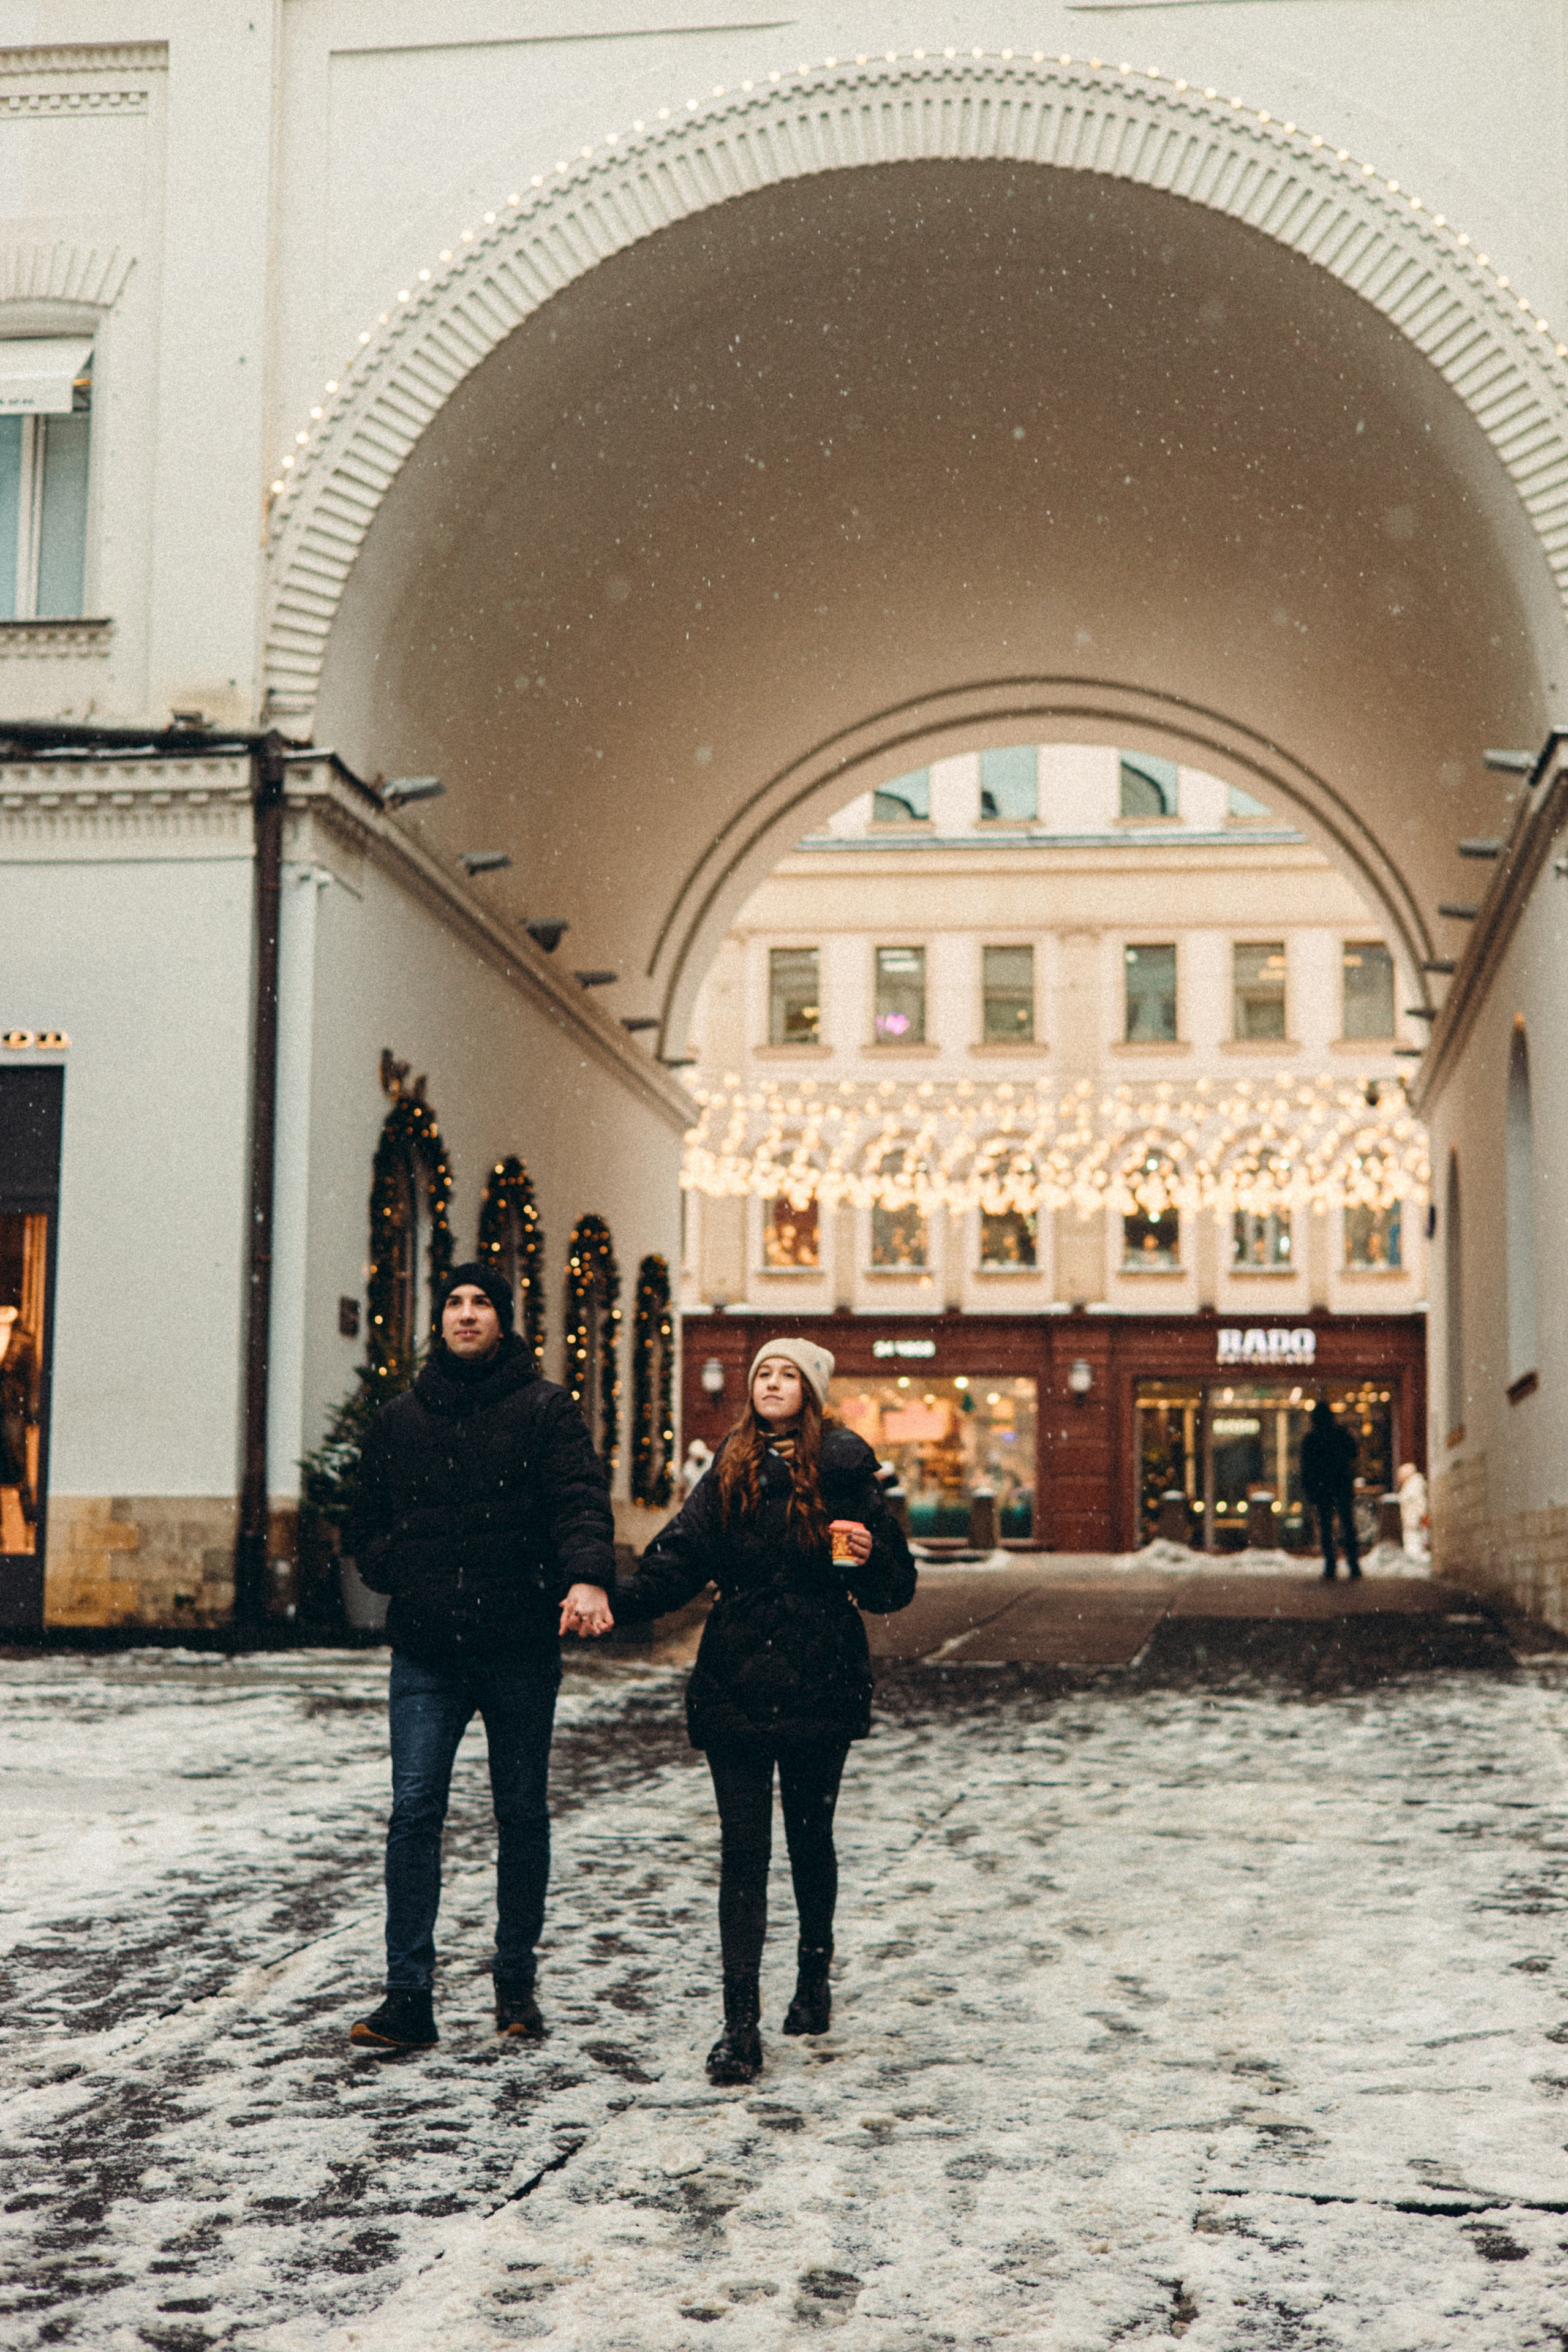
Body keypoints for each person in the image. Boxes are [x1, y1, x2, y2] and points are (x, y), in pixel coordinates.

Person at [611, 1337, 916, 2085]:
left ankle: (814, 1978)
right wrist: (606, 1602)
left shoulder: (845, 1469)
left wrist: (870, 1552)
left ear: (810, 1392)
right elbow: (676, 1561)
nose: (771, 1384)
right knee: (744, 1853)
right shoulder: (728, 1471)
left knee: (811, 1840)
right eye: (762, 1375)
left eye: (786, 1375)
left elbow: (892, 1589)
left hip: (821, 1672)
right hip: (736, 1676)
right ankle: (738, 2026)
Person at [344, 1262, 616, 2052]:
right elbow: (366, 1517)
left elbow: (578, 1498)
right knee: (414, 1812)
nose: (467, 1315)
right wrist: (395, 1565)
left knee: (520, 1813)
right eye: (456, 1303)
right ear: (441, 1321)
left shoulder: (543, 1409)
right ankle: (409, 1997)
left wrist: (585, 1572)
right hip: (427, 1648)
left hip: (517, 1647)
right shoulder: (400, 1417)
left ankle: (515, 1987)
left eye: (482, 1304)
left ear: (503, 1320)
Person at [1301, 1398, 1361, 1581]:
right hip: (1340, 1485)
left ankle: (1331, 1564)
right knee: (1347, 1524)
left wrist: (1310, 1488)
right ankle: (1353, 1564)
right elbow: (1354, 1452)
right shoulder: (1339, 1434)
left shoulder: (1312, 1439)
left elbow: (1306, 1467)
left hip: (1323, 1488)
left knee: (1326, 1527)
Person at [1397, 1461, 1430, 1561]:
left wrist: (1423, 1518)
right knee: (1413, 1546)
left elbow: (1421, 1503)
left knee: (1415, 1548)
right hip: (1412, 1523)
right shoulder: (1410, 1485)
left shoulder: (1415, 1485)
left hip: (1415, 1523)